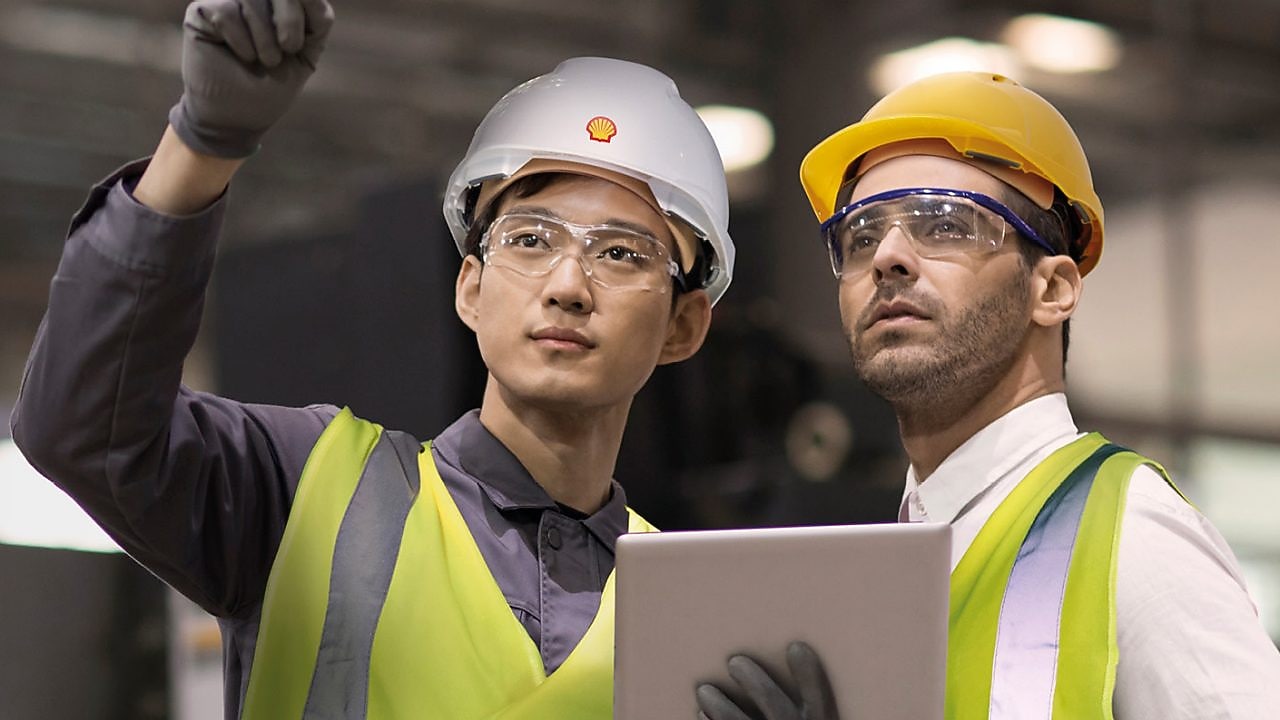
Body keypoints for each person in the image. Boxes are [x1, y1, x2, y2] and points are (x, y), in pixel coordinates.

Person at [10, 1, 735, 718]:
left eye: (619, 253)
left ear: (683, 324)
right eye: (530, 239)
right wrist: (202, 144)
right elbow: (82, 428)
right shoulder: (304, 491)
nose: (569, 286)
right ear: (472, 289)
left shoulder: (695, 601)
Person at [696, 72, 1280, 719]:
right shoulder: (899, 561)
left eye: (943, 224)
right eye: (860, 236)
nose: (888, 256)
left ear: (1052, 289)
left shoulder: (1129, 535)